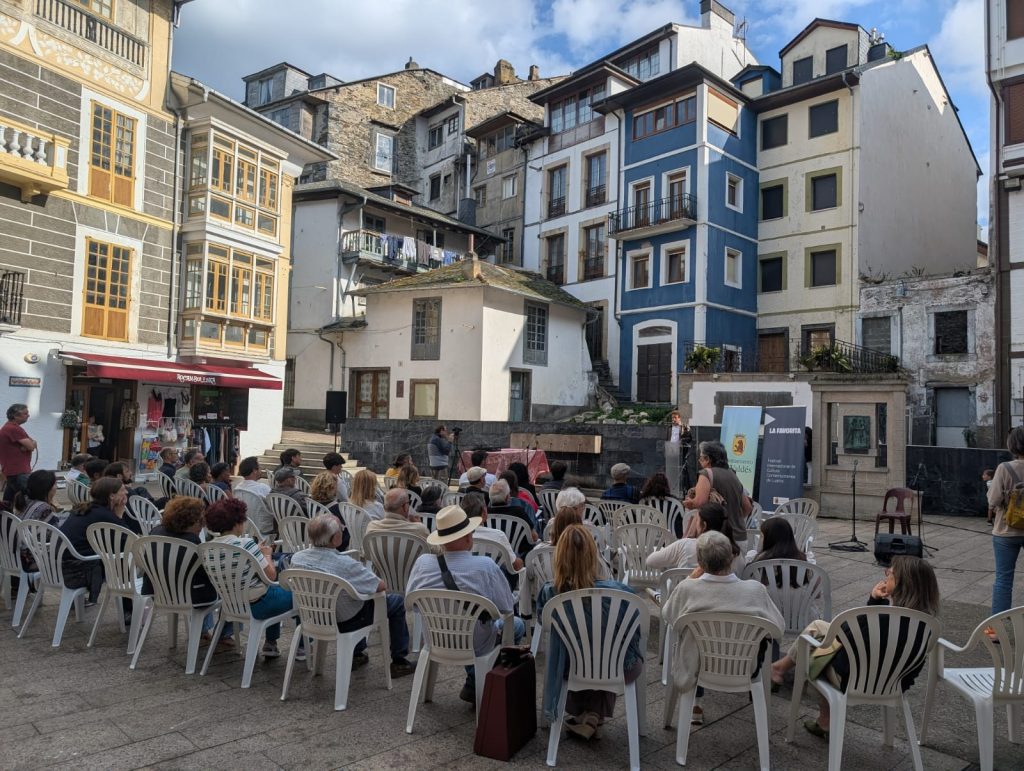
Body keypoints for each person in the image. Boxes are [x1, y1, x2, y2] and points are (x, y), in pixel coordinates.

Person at [770, 556, 940, 739]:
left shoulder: (879, 618)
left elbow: (844, 635)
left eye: (889, 574)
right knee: (818, 627)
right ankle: (781, 669)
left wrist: (874, 602)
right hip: (895, 683)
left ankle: (821, 714)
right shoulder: (928, 624)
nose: (885, 576)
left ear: (901, 583)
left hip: (853, 680)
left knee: (814, 653)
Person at [663, 531, 785, 726]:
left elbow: (669, 616)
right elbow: (778, 629)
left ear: (700, 562)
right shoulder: (755, 590)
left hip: (698, 665)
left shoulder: (688, 589)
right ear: (731, 558)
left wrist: (690, 579)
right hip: (745, 667)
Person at [406, 504, 526, 704]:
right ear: (469, 536)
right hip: (476, 644)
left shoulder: (423, 563)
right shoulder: (485, 567)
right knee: (517, 625)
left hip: (435, 639)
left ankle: (473, 681)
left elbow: (412, 604)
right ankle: (477, 682)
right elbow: (506, 608)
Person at [537, 523, 644, 736]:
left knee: (579, 649)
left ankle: (585, 714)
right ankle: (593, 714)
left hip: (569, 667)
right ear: (592, 555)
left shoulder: (550, 593)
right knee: (608, 648)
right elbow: (635, 628)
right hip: (618, 667)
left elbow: (544, 622)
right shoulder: (621, 593)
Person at [290, 514, 415, 676]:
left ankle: (357, 654)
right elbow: (380, 586)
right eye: (342, 530)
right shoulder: (345, 564)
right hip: (346, 620)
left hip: (315, 617)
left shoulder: (297, 558)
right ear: (335, 539)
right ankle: (399, 661)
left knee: (352, 598)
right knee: (395, 601)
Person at [205, 498, 300, 660]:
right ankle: (301, 647)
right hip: (258, 605)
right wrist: (267, 555)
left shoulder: (208, 547)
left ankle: (271, 644)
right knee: (300, 594)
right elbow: (271, 575)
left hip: (231, 604)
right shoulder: (246, 544)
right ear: (236, 523)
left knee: (273, 590)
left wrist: (257, 554)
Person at [142, 496, 233, 650]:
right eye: (200, 521)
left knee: (196, 579)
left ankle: (203, 630)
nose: (202, 525)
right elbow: (209, 573)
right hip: (190, 596)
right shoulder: (191, 542)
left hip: (158, 591)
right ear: (190, 521)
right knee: (232, 586)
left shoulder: (155, 532)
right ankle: (224, 634)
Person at [59, 477, 130, 604]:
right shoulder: (104, 515)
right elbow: (128, 538)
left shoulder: (85, 508)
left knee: (117, 552)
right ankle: (129, 609)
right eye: (123, 490)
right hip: (78, 571)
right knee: (124, 558)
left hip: (60, 565)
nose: (127, 493)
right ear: (112, 496)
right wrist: (119, 515)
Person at [647, 501, 745, 575]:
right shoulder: (737, 554)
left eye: (696, 520)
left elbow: (650, 561)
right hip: (722, 600)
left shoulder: (685, 545)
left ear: (704, 525)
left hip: (685, 599)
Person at [986, 426, 1024, 615]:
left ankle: (996, 629)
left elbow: (993, 501)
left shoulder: (1004, 468)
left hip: (1006, 531)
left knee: (1003, 579)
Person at [683, 441, 750, 547]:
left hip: (717, 541)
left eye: (701, 458)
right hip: (740, 539)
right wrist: (732, 517)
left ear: (708, 459)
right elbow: (747, 508)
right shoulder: (733, 475)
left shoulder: (706, 473)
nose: (700, 462)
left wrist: (689, 503)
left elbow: (700, 502)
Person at [365, 488, 433, 544]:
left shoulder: (372, 527)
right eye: (408, 503)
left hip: (380, 561)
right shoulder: (419, 529)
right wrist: (419, 524)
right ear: (405, 507)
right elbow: (437, 550)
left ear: (384, 508)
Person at [1, 403, 36, 506]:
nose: (28, 415)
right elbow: (31, 445)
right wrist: (28, 446)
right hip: (19, 472)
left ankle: (6, 521)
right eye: (25, 413)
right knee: (31, 500)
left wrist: (27, 446)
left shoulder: (9, 427)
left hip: (11, 471)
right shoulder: (13, 429)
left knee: (8, 502)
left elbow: (32, 443)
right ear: (15, 416)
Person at [309, 471, 350, 551]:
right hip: (335, 545)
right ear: (331, 488)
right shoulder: (336, 508)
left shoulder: (310, 503)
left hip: (316, 540)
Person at [748, 516, 812, 564]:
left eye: (762, 536)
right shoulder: (802, 559)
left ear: (770, 539)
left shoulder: (761, 560)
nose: (760, 539)